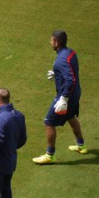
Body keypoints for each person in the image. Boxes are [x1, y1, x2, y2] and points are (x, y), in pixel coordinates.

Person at [32, 30, 86, 164]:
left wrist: (64, 99)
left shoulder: (61, 60)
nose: (50, 42)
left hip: (67, 96)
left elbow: (70, 80)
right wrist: (57, 75)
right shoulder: (71, 53)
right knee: (70, 117)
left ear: (57, 42)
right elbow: (72, 72)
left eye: (51, 40)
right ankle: (81, 146)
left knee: (49, 123)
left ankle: (50, 155)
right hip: (76, 93)